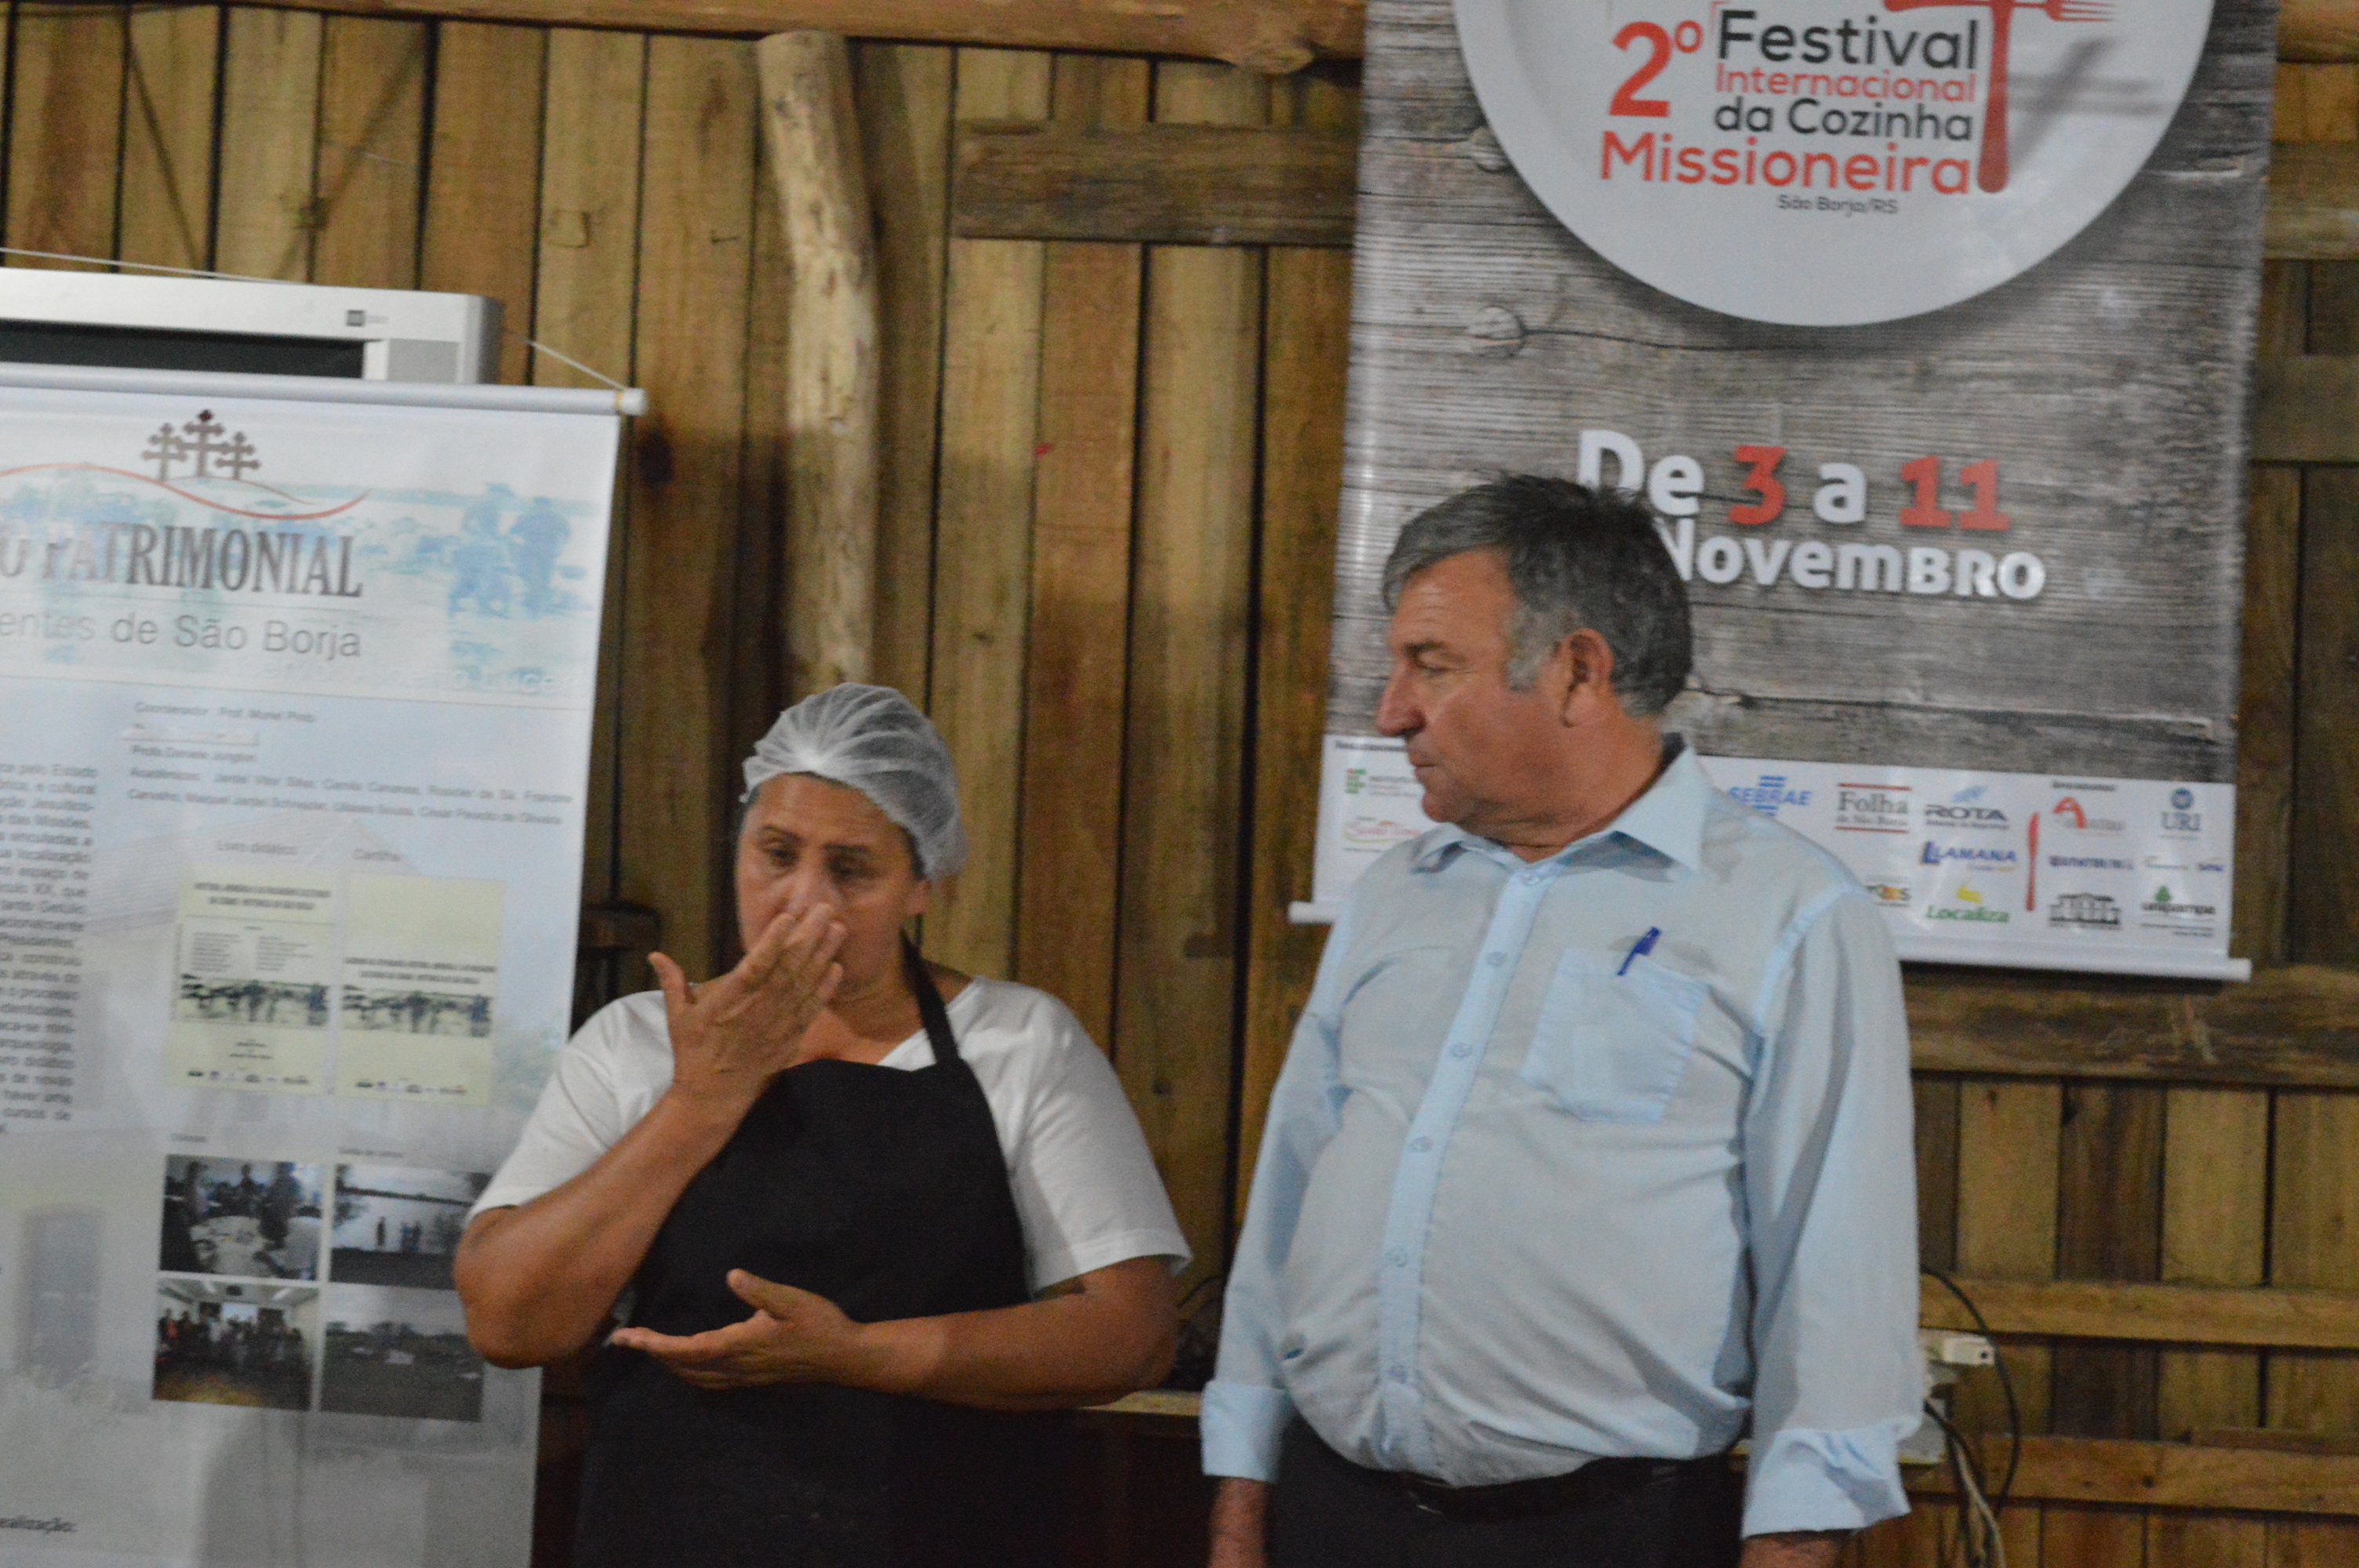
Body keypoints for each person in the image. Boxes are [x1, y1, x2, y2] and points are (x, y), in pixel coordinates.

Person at [1202, 478, 1919, 1568]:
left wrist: (1793, 1545)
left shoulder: (1787, 912)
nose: (1391, 711)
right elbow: (1288, 1207)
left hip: (1606, 1533)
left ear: (1579, 672)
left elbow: (1837, 1278)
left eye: (1432, 666)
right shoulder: (1396, 891)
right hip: (1329, 1516)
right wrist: (1240, 1501)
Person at [456, 683, 1190, 1567]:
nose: (804, 901)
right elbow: (509, 1322)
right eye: (776, 854)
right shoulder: (632, 1042)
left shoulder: (1019, 1043)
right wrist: (699, 1102)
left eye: (850, 869)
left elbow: (1130, 1334)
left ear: (922, 884)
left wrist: (856, 1355)